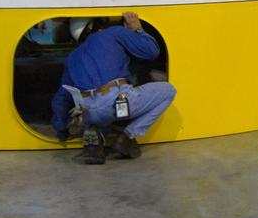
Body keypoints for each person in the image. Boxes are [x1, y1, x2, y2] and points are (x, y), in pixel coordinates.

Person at [50, 11, 176, 164]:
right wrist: (137, 29)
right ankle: (127, 138)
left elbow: (61, 99)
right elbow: (151, 51)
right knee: (168, 91)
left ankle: (95, 137)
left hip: (87, 110)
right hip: (116, 100)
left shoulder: (72, 57)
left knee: (99, 115)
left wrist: (61, 128)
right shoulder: (114, 33)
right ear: (98, 24)